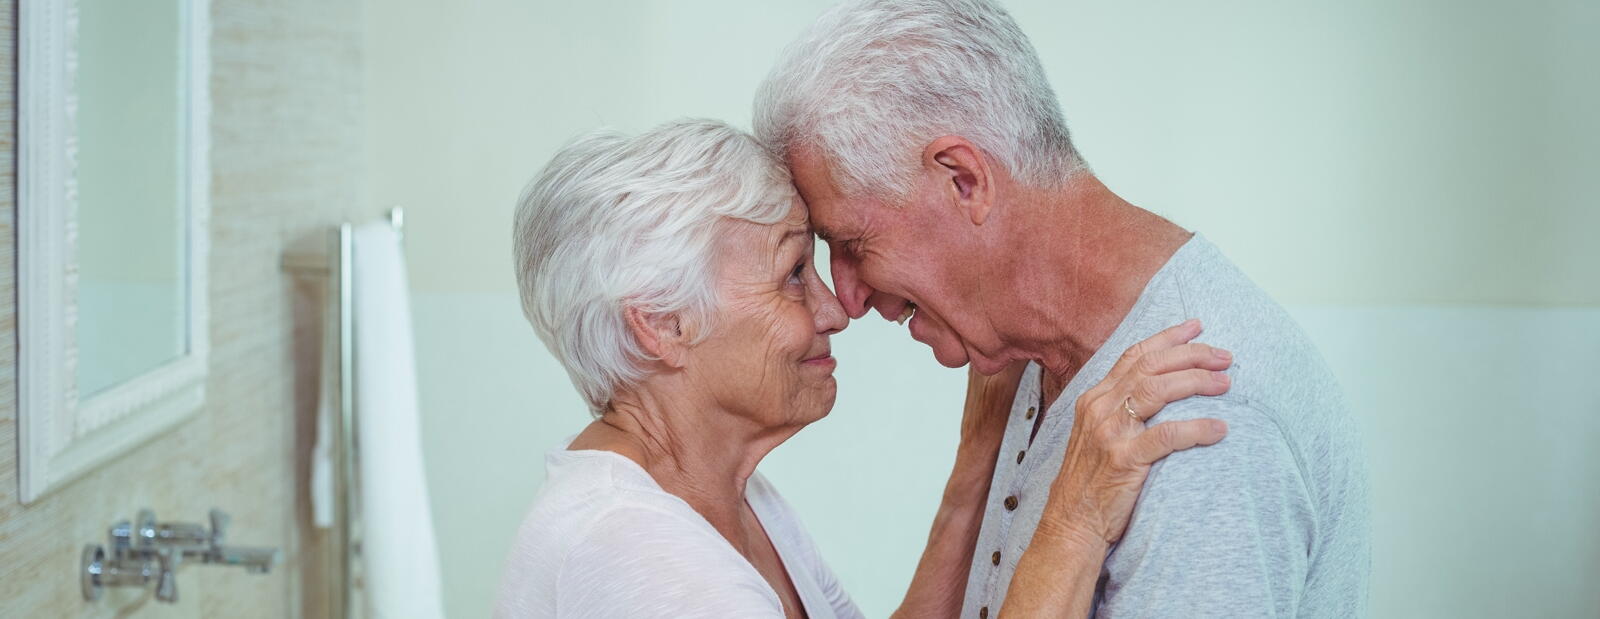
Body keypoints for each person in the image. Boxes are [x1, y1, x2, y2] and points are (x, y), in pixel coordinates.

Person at [752, 0, 1371, 616]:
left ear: (963, 179)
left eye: (852, 246)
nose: (849, 300)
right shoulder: (1032, 355)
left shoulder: (1195, 412)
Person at [495, 119, 1235, 618]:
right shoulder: (634, 553)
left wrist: (978, 461)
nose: (835, 307)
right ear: (661, 325)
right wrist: (1074, 516)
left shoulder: (729, 497)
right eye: (792, 274)